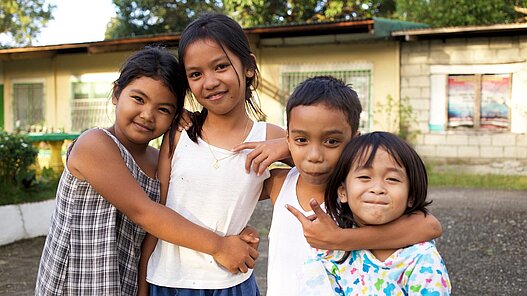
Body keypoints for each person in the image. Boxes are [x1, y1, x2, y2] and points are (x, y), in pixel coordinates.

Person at [35, 45, 259, 296]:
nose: (147, 115)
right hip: (78, 281)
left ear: (176, 116)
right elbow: (146, 213)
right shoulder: (95, 144)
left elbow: (192, 200)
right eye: (138, 99)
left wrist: (234, 230)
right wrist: (220, 246)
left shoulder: (160, 160)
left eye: (164, 109)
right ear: (116, 94)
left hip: (126, 282)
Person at [254, 76, 443, 295]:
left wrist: (339, 239)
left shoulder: (356, 195)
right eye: (301, 140)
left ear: (354, 141)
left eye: (331, 141)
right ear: (288, 138)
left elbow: (430, 226)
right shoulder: (279, 183)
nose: (314, 156)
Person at [144, 13, 286, 295]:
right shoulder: (179, 133)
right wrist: (141, 282)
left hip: (231, 281)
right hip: (168, 282)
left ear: (248, 66)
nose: (209, 82)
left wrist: (288, 145)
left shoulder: (268, 137)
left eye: (220, 66)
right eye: (195, 74)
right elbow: (157, 212)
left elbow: (328, 159)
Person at [300, 131, 451, 295]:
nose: (377, 189)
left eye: (392, 179)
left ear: (411, 196)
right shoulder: (330, 251)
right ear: (342, 192)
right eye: (364, 177)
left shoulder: (421, 259)